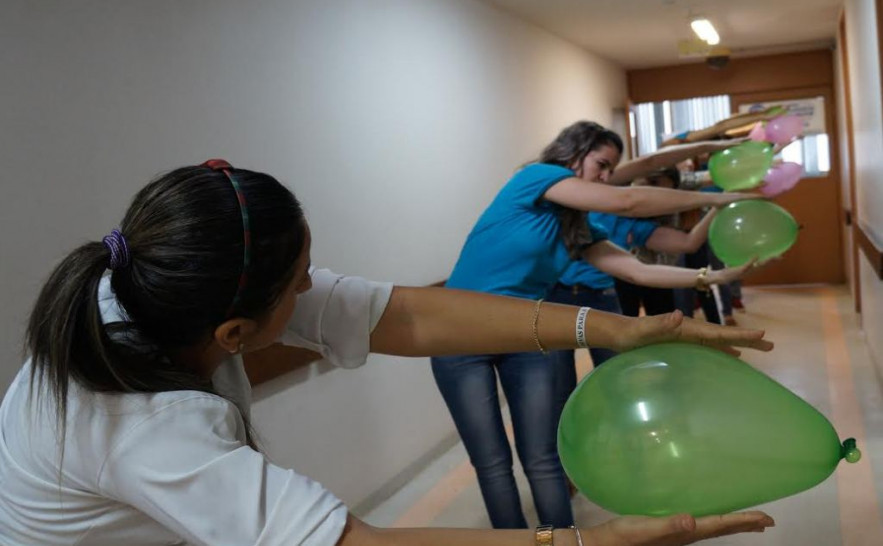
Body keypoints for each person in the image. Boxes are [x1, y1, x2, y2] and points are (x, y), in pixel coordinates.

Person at [0, 160, 776, 545]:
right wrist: (582, 540)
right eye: (300, 281)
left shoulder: (155, 282)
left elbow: (404, 316)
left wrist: (619, 329)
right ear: (234, 336)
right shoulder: (143, 429)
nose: (314, 286)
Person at [432, 121, 765, 531]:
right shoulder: (536, 177)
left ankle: (562, 540)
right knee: (492, 463)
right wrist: (720, 195)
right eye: (602, 165)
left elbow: (637, 271)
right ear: (574, 151)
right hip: (457, 332)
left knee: (542, 457)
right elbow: (628, 201)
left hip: (523, 332)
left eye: (611, 169)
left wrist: (709, 278)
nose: (606, 177)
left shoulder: (581, 227)